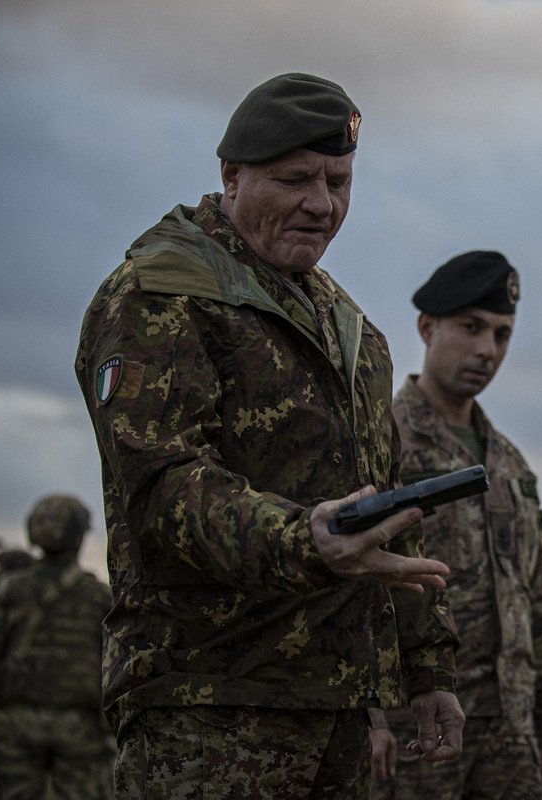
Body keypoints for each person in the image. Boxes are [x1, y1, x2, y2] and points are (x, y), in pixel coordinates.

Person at [74, 72, 463, 798]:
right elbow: (161, 488)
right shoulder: (162, 296)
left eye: (339, 182)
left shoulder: (344, 323)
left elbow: (386, 509)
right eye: (294, 181)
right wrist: (302, 539)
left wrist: (426, 666)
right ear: (231, 175)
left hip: (337, 703)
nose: (322, 205)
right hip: (210, 702)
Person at [369, 251, 542, 800]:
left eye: (502, 335)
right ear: (426, 326)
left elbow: (539, 601)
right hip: (417, 729)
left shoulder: (508, 465)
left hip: (510, 737)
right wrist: (367, 716)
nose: (488, 350)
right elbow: (345, 589)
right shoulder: (380, 446)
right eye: (471, 328)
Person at [0, 495, 114, 799]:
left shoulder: (11, 589)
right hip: (80, 725)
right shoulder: (98, 595)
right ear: (78, 537)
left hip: (15, 723)